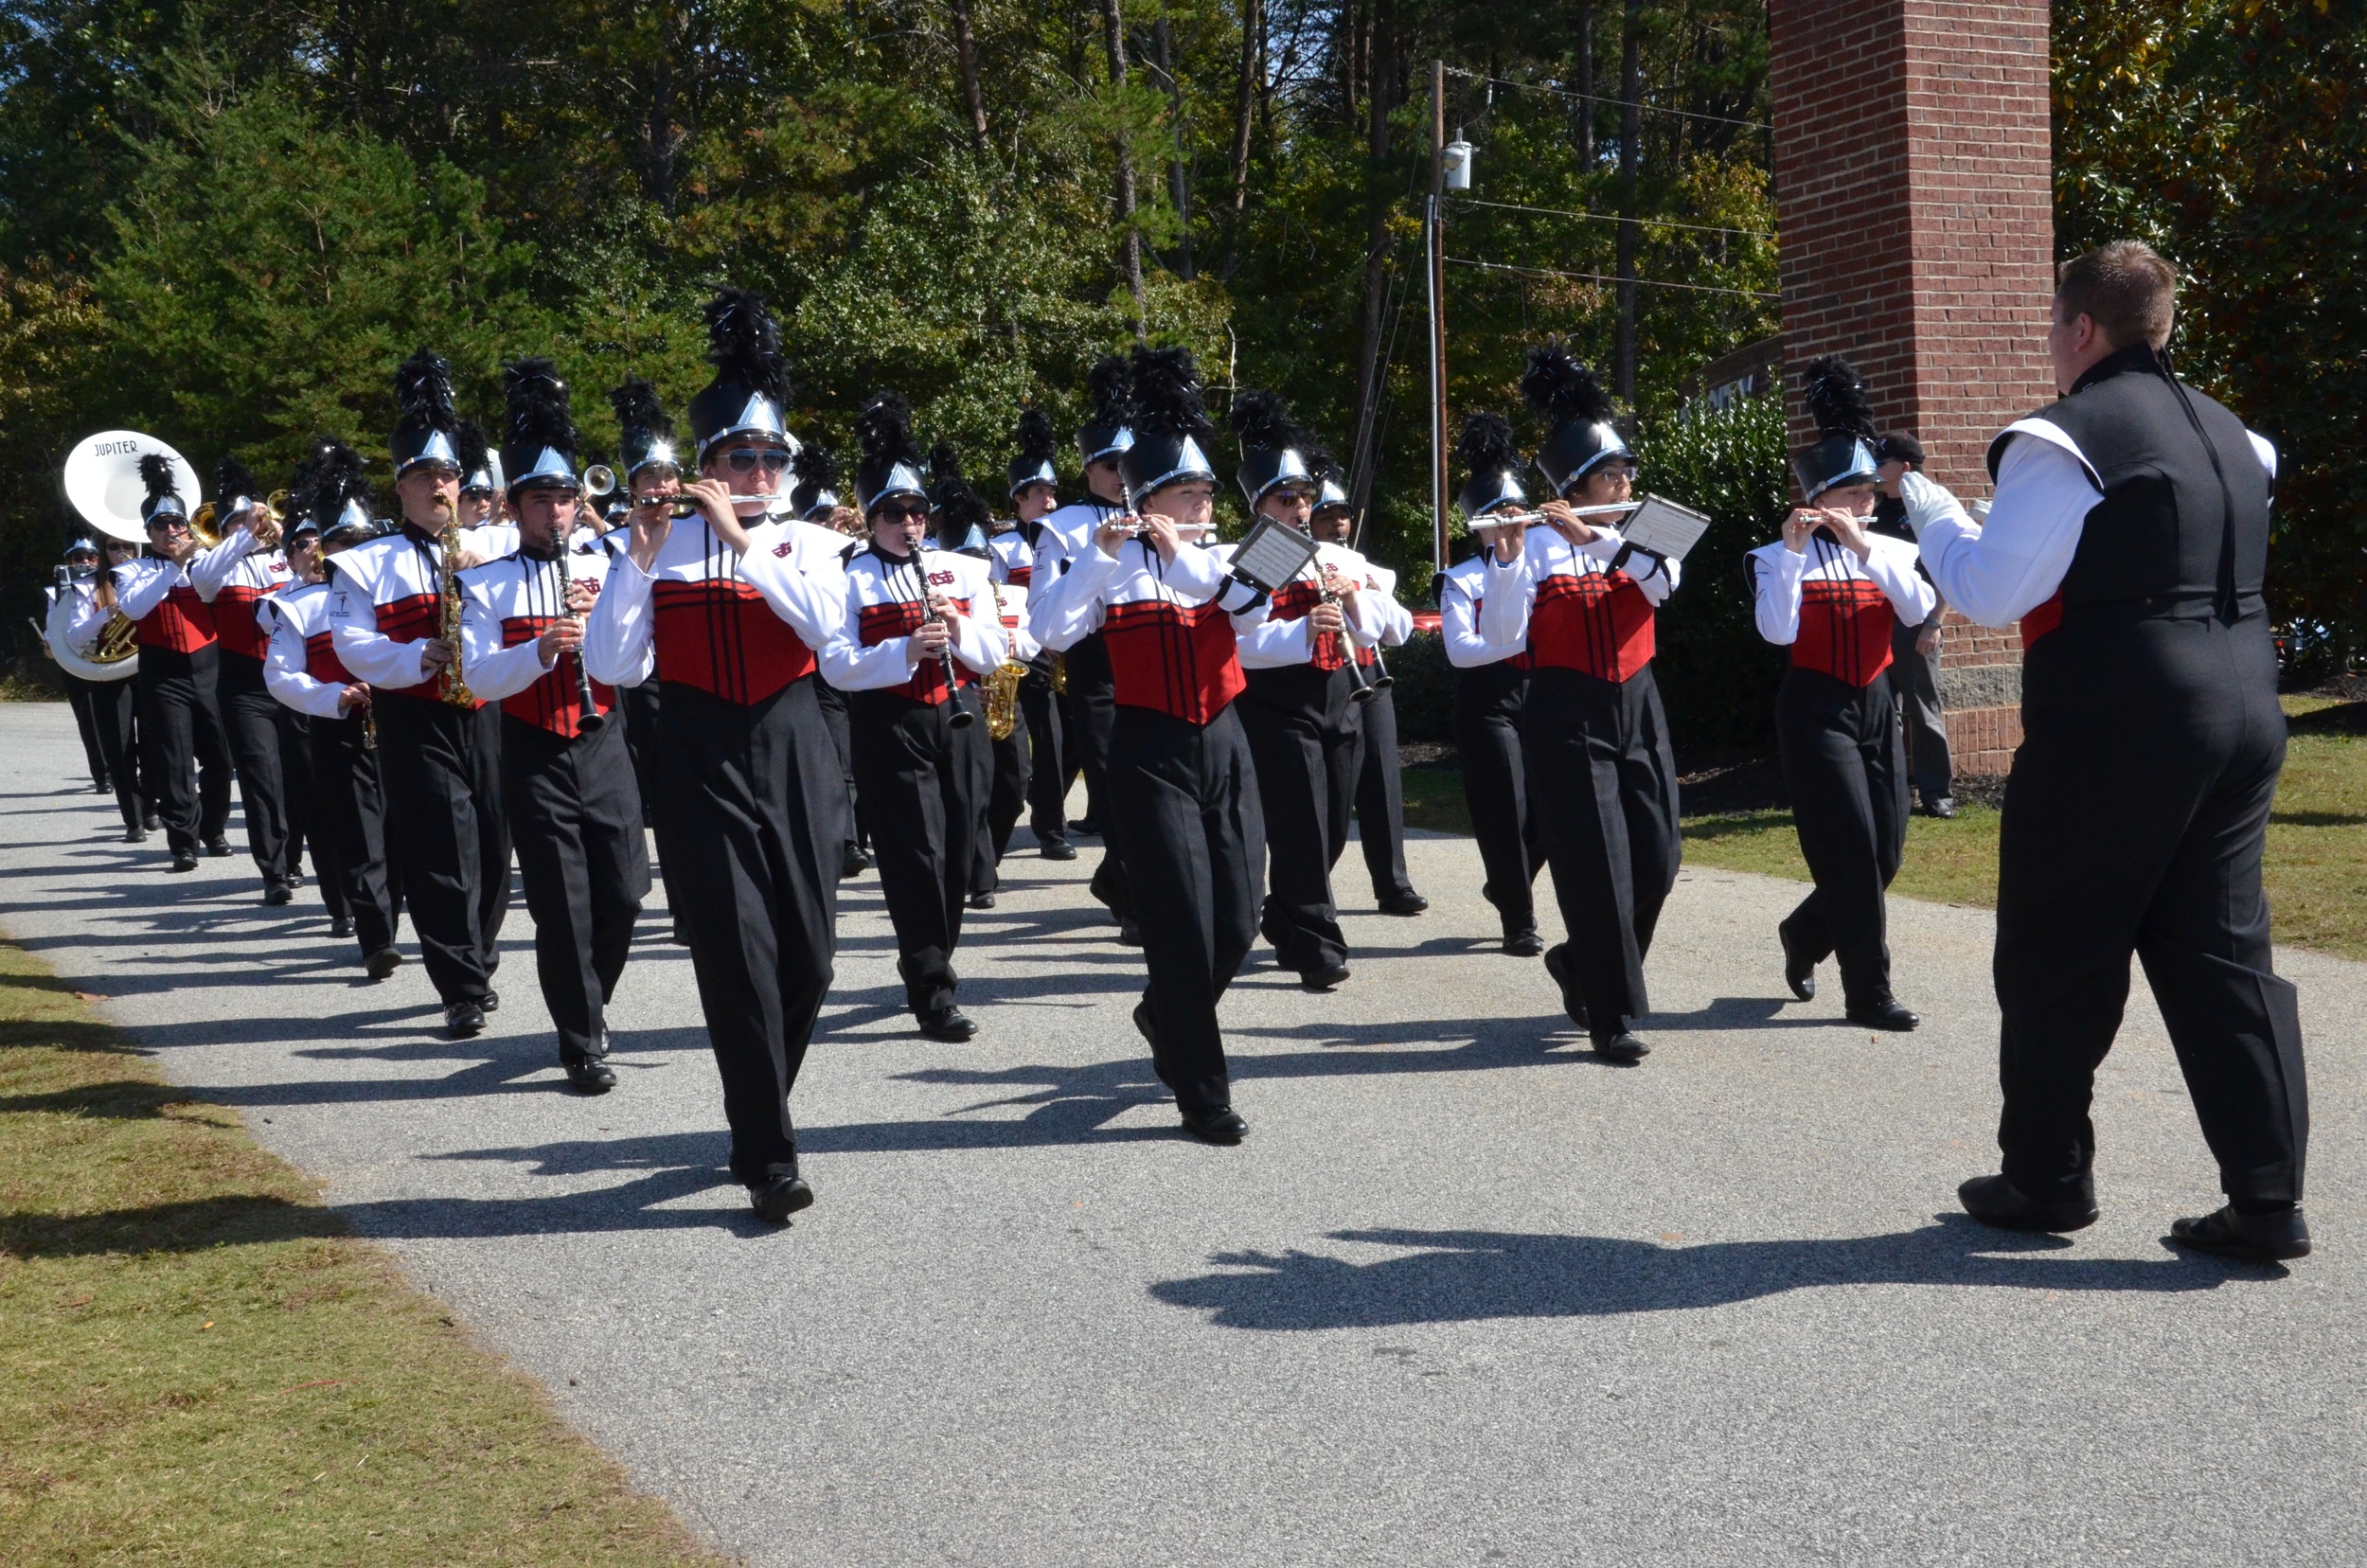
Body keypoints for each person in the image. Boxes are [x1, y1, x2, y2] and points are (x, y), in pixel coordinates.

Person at [1914, 240, 2308, 1262]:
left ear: (2080, 328)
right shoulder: (2239, 437)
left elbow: (1993, 591)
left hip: (2117, 718)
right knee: (2224, 957)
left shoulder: (2062, 439)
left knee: (2056, 950)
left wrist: (1931, 515)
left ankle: (2045, 1180)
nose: (2050, 346)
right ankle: (2267, 1197)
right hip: (2244, 708)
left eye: (2052, 326)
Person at [583, 287, 851, 1224]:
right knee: (735, 956)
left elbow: (829, 639)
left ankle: (760, 1098)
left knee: (810, 962)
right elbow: (613, 665)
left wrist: (746, 542)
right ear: (703, 463)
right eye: (741, 456)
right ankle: (765, 1151)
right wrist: (639, 556)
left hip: (795, 744)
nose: (760, 469)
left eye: (773, 456)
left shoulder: (811, 544)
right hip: (697, 754)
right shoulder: (655, 546)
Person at [1031, 344, 1273, 1145]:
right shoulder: (1102, 559)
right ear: (1149, 495)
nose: (1204, 499)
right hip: (1147, 748)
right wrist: (1100, 563)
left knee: (1238, 921)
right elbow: (1051, 633)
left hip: (1224, 741)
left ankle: (1163, 1012)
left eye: (1207, 489)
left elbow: (1247, 613)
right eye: (1188, 490)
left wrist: (1184, 551)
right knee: (1181, 925)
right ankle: (1203, 1094)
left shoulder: (1238, 552)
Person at [1478, 346, 1683, 1062]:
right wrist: (1504, 560)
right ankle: (1611, 1011)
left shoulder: (1647, 528)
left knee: (1658, 858)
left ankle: (1579, 963)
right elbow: (1502, 635)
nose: (1625, 479)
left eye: (1627, 468)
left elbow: (1662, 586)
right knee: (1596, 863)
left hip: (1638, 701)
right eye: (1610, 471)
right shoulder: (1532, 544)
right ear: (1573, 484)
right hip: (1564, 709)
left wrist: (1597, 540)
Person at [459, 361, 650, 1094]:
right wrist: (538, 650)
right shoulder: (485, 582)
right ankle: (581, 1039)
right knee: (562, 907)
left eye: (567, 499)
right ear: (516, 506)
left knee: (627, 893)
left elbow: (639, 663)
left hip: (604, 741)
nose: (558, 512)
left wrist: (606, 624)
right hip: (534, 749)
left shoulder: (610, 564)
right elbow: (479, 678)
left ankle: (589, 999)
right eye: (542, 500)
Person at [329, 348, 512, 1036]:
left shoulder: (495, 547)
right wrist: (415, 653)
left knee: (493, 845)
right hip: (416, 713)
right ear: (400, 485)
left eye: (449, 473)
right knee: (440, 847)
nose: (440, 484)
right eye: (425, 475)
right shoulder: (363, 563)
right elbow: (352, 646)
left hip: (489, 710)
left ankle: (482, 953)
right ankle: (459, 984)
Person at [1748, 357, 1933, 1034]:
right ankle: (1869, 993)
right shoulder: (1774, 556)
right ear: (1821, 498)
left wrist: (1866, 547)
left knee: (1886, 851)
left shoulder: (1889, 550)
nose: (1869, 504)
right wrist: (1796, 552)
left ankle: (1804, 932)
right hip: (1814, 708)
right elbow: (1777, 631)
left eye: (1870, 494)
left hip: (1877, 702)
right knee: (1852, 850)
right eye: (1856, 495)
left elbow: (1915, 610)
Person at [829, 399, 1006, 1039]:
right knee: (916, 857)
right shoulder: (848, 578)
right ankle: (932, 986)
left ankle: (932, 956)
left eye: (917, 512)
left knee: (958, 856)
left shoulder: (963, 570)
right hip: (890, 724)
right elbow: (837, 665)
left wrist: (956, 626)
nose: (909, 522)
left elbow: (995, 652)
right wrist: (903, 650)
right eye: (894, 513)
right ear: (872, 518)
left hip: (959, 721)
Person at [1223, 391, 1389, 990]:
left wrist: (1353, 595)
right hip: (1276, 703)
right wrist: (1299, 630)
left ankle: (1288, 916)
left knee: (1332, 824)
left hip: (1341, 693)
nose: (1299, 508)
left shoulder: (1333, 553)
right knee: (1299, 824)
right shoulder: (1240, 554)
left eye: (1304, 498)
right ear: (1260, 504)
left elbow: (1383, 629)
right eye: (1285, 499)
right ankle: (1319, 943)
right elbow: (1238, 640)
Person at [267, 442, 401, 976]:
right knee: (360, 836)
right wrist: (332, 698)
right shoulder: (295, 606)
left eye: (356, 539)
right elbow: (279, 676)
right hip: (339, 728)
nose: (346, 550)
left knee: (402, 833)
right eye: (337, 540)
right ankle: (376, 939)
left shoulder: (395, 589)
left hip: (400, 725)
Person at [78, 455, 240, 872]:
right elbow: (134, 608)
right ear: (148, 533)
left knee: (221, 757)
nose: (172, 531)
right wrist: (173, 566)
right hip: (163, 671)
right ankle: (183, 841)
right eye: (162, 526)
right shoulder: (133, 571)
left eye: (177, 524)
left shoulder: (205, 561)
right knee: (174, 759)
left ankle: (214, 828)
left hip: (209, 666)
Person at [1027, 356, 1137, 940]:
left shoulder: (1162, 513)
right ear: (1087, 467)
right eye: (1108, 464)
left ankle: (1123, 880)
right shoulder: (1062, 525)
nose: (1121, 474)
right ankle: (1135, 897)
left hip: (1160, 659)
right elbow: (1044, 613)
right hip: (1097, 668)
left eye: (1130, 463)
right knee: (1114, 783)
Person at [1310, 476, 1428, 917]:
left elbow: (1399, 631)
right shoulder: (1301, 561)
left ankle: (1393, 884)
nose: (1338, 524)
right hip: (1326, 678)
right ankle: (1311, 887)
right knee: (1333, 795)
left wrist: (1372, 596)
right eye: (1326, 517)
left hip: (1369, 678)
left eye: (1342, 516)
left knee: (1382, 779)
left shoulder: (1367, 566)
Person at [190, 458, 304, 902]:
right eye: (236, 522)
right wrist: (244, 533)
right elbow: (203, 576)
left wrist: (290, 537)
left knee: (298, 776)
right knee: (260, 777)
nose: (250, 526)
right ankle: (273, 871)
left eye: (253, 519)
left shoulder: (286, 560)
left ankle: (292, 856)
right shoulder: (213, 567)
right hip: (244, 685)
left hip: (294, 680)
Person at [1437, 506, 1546, 957]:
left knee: (1550, 812)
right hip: (1488, 701)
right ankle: (1518, 920)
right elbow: (1461, 651)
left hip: (1542, 694)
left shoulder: (1545, 564)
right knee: (1505, 811)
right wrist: (1529, 637)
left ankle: (1504, 883)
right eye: (1495, 514)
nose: (1508, 520)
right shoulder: (1460, 578)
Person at [993, 407, 1073, 863]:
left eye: (1052, 492)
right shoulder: (1001, 547)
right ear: (1019, 500)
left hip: (1052, 651)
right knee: (1012, 746)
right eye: (1039, 493)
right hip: (1012, 650)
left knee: (1054, 740)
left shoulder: (1061, 540)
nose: (1049, 501)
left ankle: (1051, 826)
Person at [791, 440, 873, 881]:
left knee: (862, 755)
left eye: (832, 515)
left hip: (862, 663)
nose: (830, 524)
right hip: (818, 669)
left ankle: (859, 832)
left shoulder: (859, 552)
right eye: (820, 518)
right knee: (837, 758)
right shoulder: (798, 549)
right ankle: (846, 842)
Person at [1871, 431, 1956, 818]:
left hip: (1917, 626)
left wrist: (1933, 623)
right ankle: (1887, 790)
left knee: (1922, 710)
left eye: (1882, 462)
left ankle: (1937, 793)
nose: (1875, 469)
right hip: (1874, 621)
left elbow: (1946, 574)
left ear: (1904, 468)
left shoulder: (1927, 511)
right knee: (1881, 709)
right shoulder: (1871, 510)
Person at [607, 378, 679, 838]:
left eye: (668, 475)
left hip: (689, 672)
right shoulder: (609, 545)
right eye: (650, 478)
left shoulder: (698, 533)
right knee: (665, 784)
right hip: (643, 676)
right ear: (634, 487)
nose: (662, 486)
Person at [44, 536, 147, 839]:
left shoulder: (149, 577)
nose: (121, 553)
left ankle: (152, 803)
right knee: (120, 747)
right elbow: (74, 637)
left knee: (158, 745)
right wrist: (107, 614)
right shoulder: (85, 587)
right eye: (114, 547)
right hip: (109, 671)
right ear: (105, 552)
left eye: (126, 546)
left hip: (149, 668)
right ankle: (134, 820)